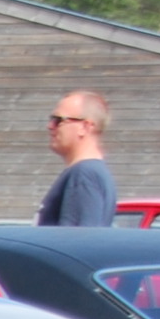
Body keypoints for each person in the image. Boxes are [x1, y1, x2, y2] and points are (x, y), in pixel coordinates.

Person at [38, 90, 116, 227]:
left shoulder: (84, 174)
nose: (50, 126)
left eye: (58, 120)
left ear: (84, 127)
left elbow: (78, 237)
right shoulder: (91, 172)